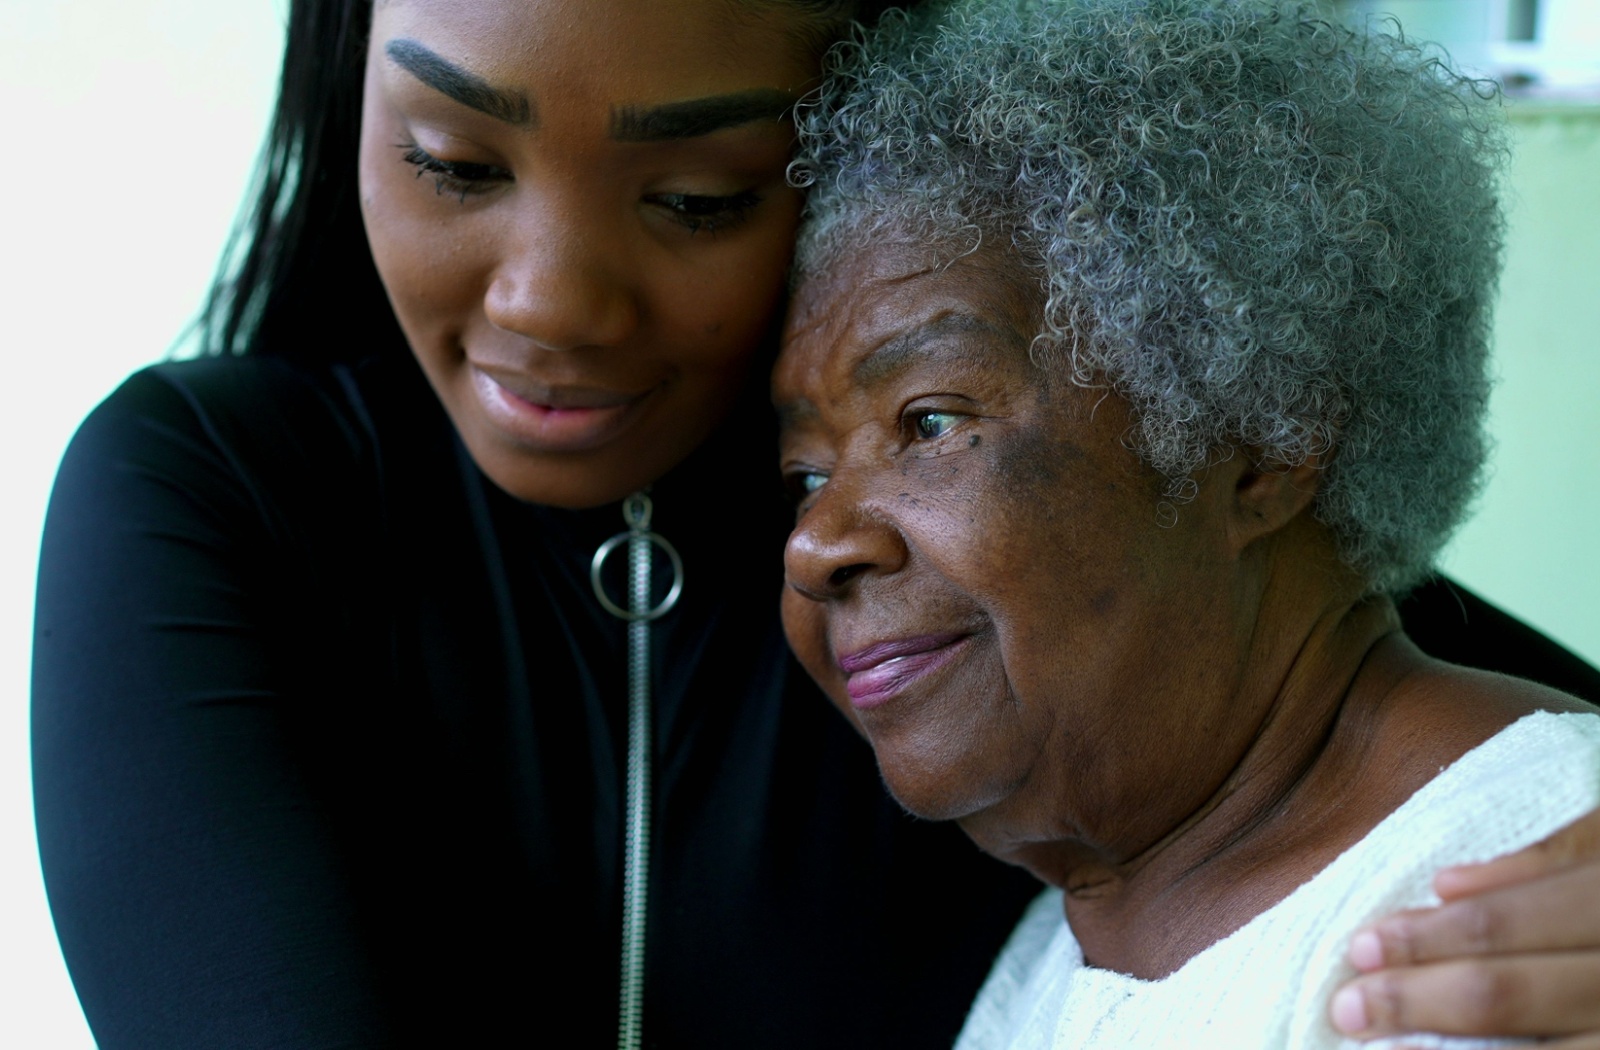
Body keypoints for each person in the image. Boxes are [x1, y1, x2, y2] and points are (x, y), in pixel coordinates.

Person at [27, 0, 1600, 1047]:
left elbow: (1363, 660)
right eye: (451, 160)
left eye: (699, 193)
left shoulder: (1078, 563)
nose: (549, 307)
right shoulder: (217, 500)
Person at [774, 0, 1600, 1045]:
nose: (816, 543)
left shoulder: (1530, 892)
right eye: (802, 475)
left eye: (930, 420)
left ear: (1260, 439)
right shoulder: (1069, 933)